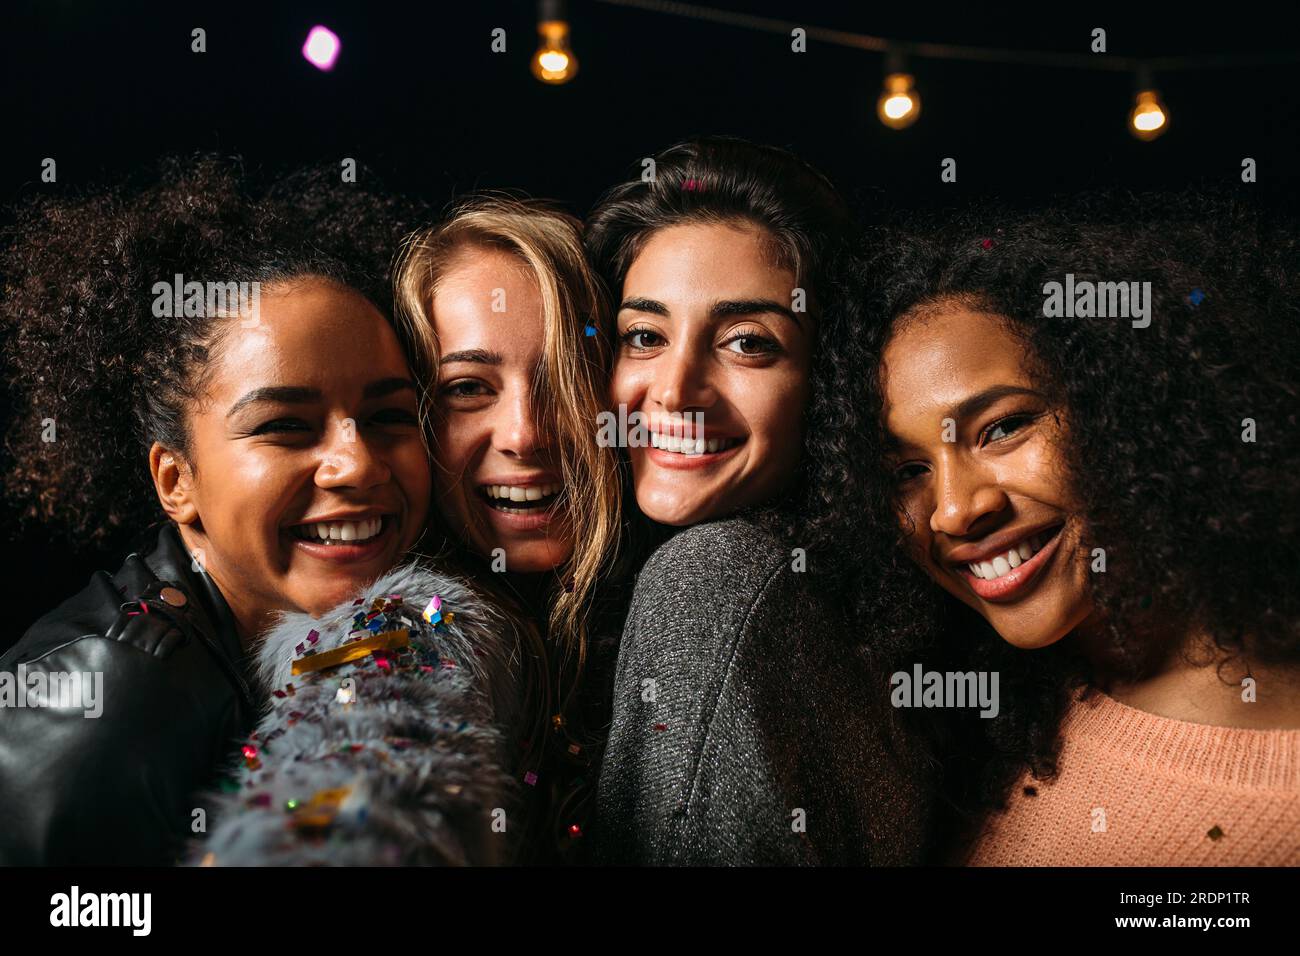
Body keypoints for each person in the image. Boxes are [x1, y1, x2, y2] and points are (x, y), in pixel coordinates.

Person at [0, 156, 440, 864]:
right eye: (285, 426)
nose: (357, 462)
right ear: (176, 482)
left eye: (388, 415)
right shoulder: (108, 695)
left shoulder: (372, 642)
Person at [852, 192, 1300, 865]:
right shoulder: (972, 724)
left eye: (1003, 428)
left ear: (1129, 404)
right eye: (907, 471)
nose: (953, 509)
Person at [586, 137, 934, 864]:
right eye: (644, 335)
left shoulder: (715, 581)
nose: (676, 389)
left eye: (747, 343)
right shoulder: (827, 595)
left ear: (829, 380)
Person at [394, 195, 628, 862]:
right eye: (468, 387)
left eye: (566, 376)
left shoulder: (685, 602)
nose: (527, 434)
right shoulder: (400, 632)